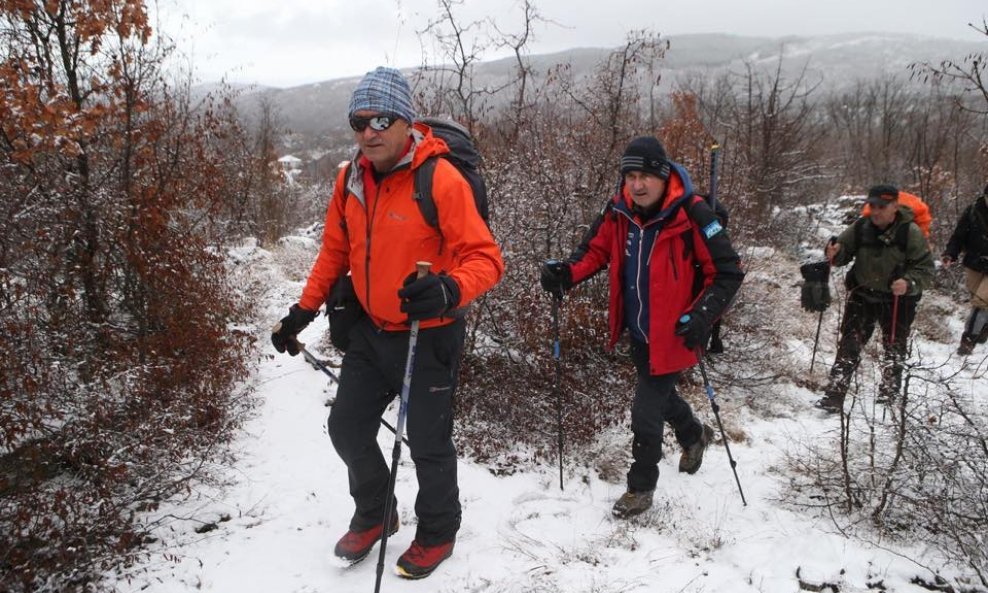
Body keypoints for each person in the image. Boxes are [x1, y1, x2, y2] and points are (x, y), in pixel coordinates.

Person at [271, 66, 504, 579]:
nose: (369, 132)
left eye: (381, 119)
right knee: (347, 427)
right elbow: (334, 253)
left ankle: (439, 529)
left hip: (431, 333)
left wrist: (448, 288)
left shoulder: (438, 178)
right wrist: (301, 312)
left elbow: (487, 259)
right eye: (359, 121)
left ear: (405, 122)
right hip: (372, 332)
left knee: (427, 440)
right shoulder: (349, 178)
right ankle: (376, 511)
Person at [540, 136, 744, 518]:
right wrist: (566, 273)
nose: (637, 184)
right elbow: (595, 251)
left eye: (646, 175)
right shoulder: (619, 209)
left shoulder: (693, 214)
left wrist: (702, 315)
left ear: (664, 176)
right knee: (660, 395)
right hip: (638, 330)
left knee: (644, 411)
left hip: (676, 332)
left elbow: (727, 273)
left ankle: (640, 488)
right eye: (631, 175)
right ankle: (694, 434)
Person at [816, 184, 934, 412]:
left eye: (882, 206)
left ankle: (889, 391)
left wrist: (908, 283)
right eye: (873, 206)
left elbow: (926, 271)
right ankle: (834, 394)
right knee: (850, 344)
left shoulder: (910, 233)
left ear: (895, 207)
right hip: (863, 294)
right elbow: (842, 253)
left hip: (898, 300)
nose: (876, 211)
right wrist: (833, 252)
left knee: (894, 346)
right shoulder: (861, 227)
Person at [942, 184, 988, 355]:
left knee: (981, 302)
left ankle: (967, 341)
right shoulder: (973, 212)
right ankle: (983, 329)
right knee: (978, 301)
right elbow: (959, 236)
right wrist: (950, 254)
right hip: (975, 263)